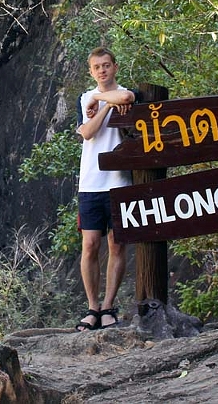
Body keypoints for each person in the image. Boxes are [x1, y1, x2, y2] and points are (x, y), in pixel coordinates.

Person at [73, 46, 135, 331]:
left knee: (117, 245)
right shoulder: (85, 98)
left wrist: (106, 100)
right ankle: (92, 307)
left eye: (106, 65)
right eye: (97, 67)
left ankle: (109, 306)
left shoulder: (121, 94)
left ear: (115, 67)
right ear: (90, 71)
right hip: (90, 183)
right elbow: (87, 132)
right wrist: (102, 102)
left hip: (119, 181)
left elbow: (125, 96)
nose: (102, 70)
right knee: (89, 246)